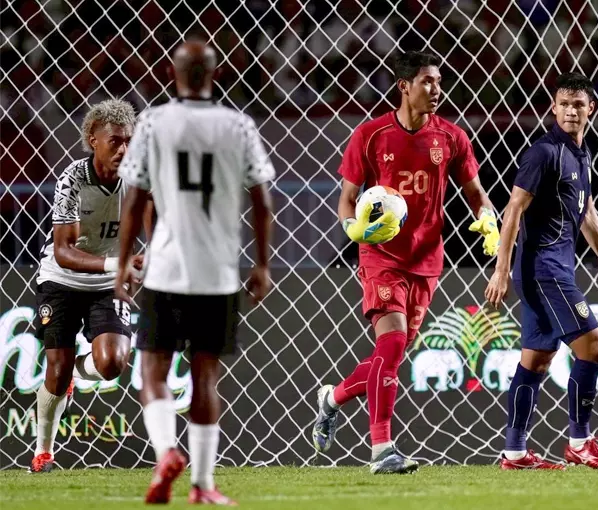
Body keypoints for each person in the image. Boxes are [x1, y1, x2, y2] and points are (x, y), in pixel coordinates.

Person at [312, 50, 500, 474]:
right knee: (392, 342)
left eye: (438, 81)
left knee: (390, 356)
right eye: (427, 82)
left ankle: (333, 397)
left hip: (427, 258)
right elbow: (346, 200)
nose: (436, 89)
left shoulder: (451, 137)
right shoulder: (371, 134)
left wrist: (488, 220)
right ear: (404, 87)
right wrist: (352, 229)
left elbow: (477, 194)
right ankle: (382, 450)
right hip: (381, 255)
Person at [115, 39, 274, 504]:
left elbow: (135, 199)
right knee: (206, 377)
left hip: (166, 268)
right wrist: (262, 264)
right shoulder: (238, 125)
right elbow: (263, 201)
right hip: (219, 272)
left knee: (153, 369)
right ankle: (203, 484)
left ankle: (166, 451)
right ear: (216, 74)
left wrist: (125, 259)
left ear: (174, 73)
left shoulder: (153, 122)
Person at [485, 72, 598, 470]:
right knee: (594, 346)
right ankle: (580, 441)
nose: (570, 111)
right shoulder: (544, 153)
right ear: (553, 107)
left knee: (536, 359)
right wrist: (501, 270)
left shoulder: (579, 154)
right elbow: (513, 209)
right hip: (544, 269)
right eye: (563, 104)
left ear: (590, 110)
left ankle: (514, 452)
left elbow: (588, 217)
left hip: (553, 267)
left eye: (578, 104)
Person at [30, 99, 142, 473]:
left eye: (128, 140)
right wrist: (119, 264)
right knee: (55, 374)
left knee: (112, 364)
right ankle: (43, 451)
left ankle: (78, 373)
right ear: (93, 140)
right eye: (115, 141)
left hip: (108, 282)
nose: (123, 149)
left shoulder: (140, 178)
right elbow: (63, 252)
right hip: (61, 280)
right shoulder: (73, 179)